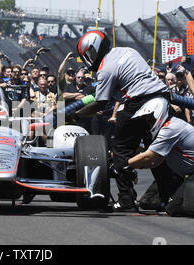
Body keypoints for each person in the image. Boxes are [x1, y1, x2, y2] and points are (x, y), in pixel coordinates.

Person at [74, 30, 170, 212]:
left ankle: (126, 199)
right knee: (159, 151)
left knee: (120, 149)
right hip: (163, 96)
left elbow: (100, 103)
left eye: (87, 56)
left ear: (92, 51)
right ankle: (167, 198)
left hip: (140, 101)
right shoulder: (128, 50)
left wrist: (77, 115)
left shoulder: (104, 69)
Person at [126, 115, 194, 216]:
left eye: (149, 121)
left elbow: (148, 156)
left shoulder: (171, 128)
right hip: (184, 173)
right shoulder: (163, 129)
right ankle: (175, 198)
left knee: (173, 208)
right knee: (147, 202)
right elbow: (154, 159)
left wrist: (125, 164)